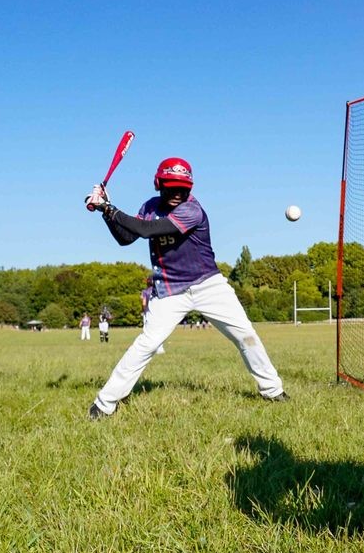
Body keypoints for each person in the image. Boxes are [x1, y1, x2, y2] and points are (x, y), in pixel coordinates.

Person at [84, 156, 286, 416]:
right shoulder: (150, 205)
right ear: (159, 184)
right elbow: (126, 237)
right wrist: (105, 212)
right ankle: (104, 404)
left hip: (208, 285)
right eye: (171, 187)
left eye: (183, 188)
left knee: (245, 335)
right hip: (169, 291)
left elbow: (147, 230)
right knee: (147, 344)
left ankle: (273, 390)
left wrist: (109, 208)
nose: (178, 193)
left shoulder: (192, 210)